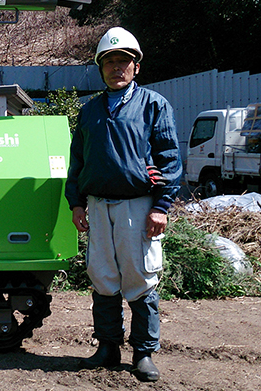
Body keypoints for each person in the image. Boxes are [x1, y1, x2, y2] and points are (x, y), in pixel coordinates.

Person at [65, 27, 182, 382]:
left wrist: (161, 206)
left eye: (124, 62)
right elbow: (77, 163)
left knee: (140, 279)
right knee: (102, 278)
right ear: (101, 68)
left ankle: (144, 353)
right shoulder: (89, 112)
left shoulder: (153, 105)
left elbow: (170, 158)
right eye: (110, 62)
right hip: (99, 207)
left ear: (136, 67)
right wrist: (76, 204)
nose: (117, 68)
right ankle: (107, 347)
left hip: (138, 206)